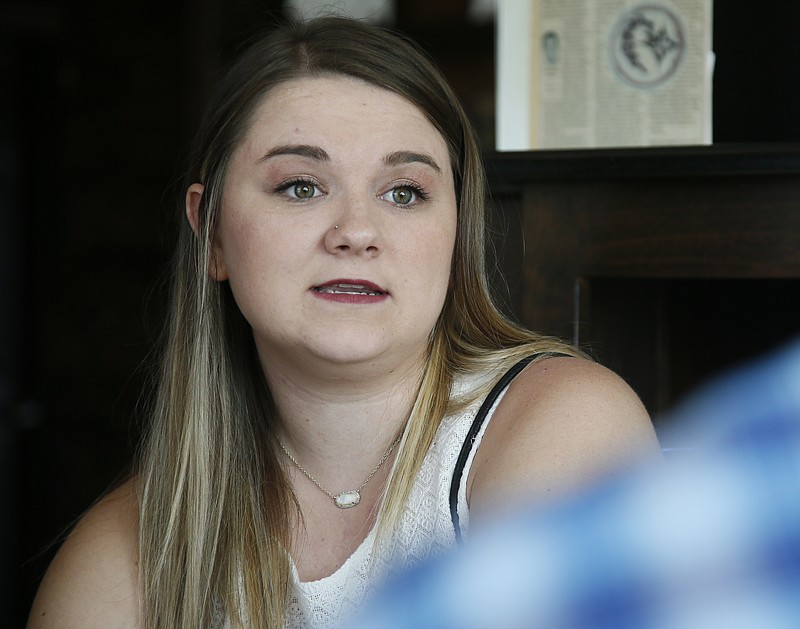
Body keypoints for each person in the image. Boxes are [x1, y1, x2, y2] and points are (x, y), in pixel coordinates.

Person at [27, 15, 660, 629]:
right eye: (301, 186)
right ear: (211, 232)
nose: (356, 232)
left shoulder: (563, 429)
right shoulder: (125, 555)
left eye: (404, 191)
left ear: (458, 231)